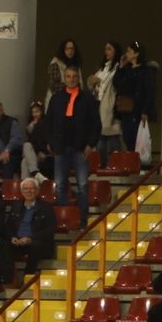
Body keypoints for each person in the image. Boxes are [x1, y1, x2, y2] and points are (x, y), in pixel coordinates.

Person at [46, 67, 100, 225]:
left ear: (78, 78)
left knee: (83, 185)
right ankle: (64, 218)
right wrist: (50, 142)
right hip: (60, 148)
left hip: (80, 148)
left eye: (75, 76)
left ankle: (82, 219)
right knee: (60, 185)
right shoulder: (56, 98)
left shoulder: (88, 98)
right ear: (65, 78)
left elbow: (96, 124)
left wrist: (91, 144)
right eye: (68, 76)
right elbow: (48, 122)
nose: (72, 79)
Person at [6, 177, 56, 274]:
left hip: (37, 242)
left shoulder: (46, 207)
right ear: (21, 191)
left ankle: (27, 277)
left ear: (37, 191)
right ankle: (9, 278)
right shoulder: (16, 206)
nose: (29, 191)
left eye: (32, 188)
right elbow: (8, 226)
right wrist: (12, 238)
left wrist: (30, 238)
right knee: (3, 246)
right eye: (25, 189)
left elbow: (50, 230)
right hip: (18, 242)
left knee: (35, 246)